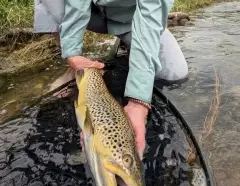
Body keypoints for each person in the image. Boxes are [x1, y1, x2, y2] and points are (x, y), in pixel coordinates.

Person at [34, 0, 188, 159]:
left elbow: (151, 10)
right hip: (94, 15)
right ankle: (73, 66)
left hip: (130, 19)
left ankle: (129, 43)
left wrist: (138, 102)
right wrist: (72, 52)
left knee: (176, 74)